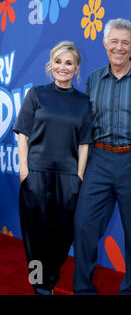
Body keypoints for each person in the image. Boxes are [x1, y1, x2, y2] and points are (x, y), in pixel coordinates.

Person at [73, 18, 131, 295]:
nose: (119, 47)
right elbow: (86, 127)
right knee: (84, 226)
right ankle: (83, 289)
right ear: (105, 44)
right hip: (98, 161)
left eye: (125, 42)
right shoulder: (93, 79)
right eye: (114, 41)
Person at [13, 41, 92, 295]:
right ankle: (40, 285)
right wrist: (24, 170)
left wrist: (78, 176)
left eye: (68, 63)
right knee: (35, 236)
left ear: (76, 67)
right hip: (36, 175)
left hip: (68, 178)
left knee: (61, 235)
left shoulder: (83, 102)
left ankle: (50, 278)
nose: (62, 67)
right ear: (51, 65)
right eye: (58, 62)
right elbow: (22, 134)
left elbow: (84, 143)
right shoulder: (36, 94)